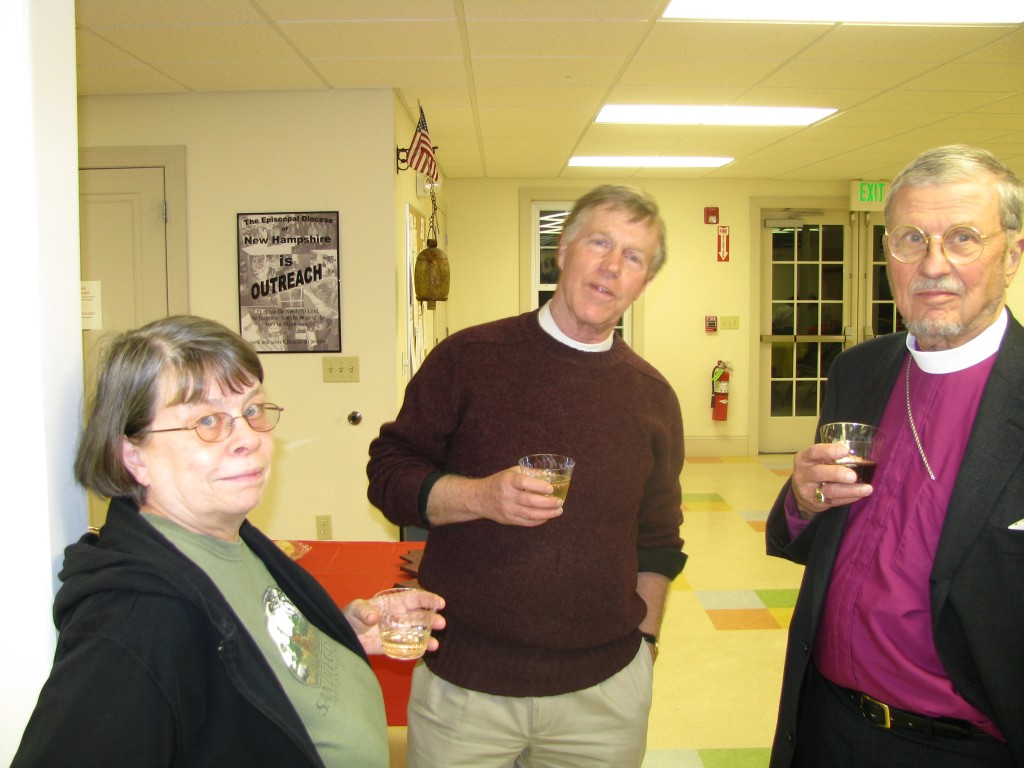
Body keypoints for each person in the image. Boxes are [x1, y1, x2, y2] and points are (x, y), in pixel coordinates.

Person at [13, 315, 444, 768]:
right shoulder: (134, 621)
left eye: (253, 411)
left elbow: (238, 655)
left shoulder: (231, 539)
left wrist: (335, 636)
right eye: (207, 420)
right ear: (133, 457)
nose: (248, 439)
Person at [367, 185, 686, 768]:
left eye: (634, 257)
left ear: (644, 282)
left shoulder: (652, 397)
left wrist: (646, 642)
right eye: (600, 242)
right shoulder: (468, 358)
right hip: (466, 686)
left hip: (603, 693)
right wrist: (479, 496)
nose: (612, 267)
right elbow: (389, 476)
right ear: (562, 250)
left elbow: (660, 538)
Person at [766, 145, 1024, 768]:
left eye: (963, 238)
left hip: (961, 747)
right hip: (825, 721)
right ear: (888, 256)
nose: (933, 265)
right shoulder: (859, 369)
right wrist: (803, 499)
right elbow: (818, 536)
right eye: (911, 239)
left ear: (1012, 254)